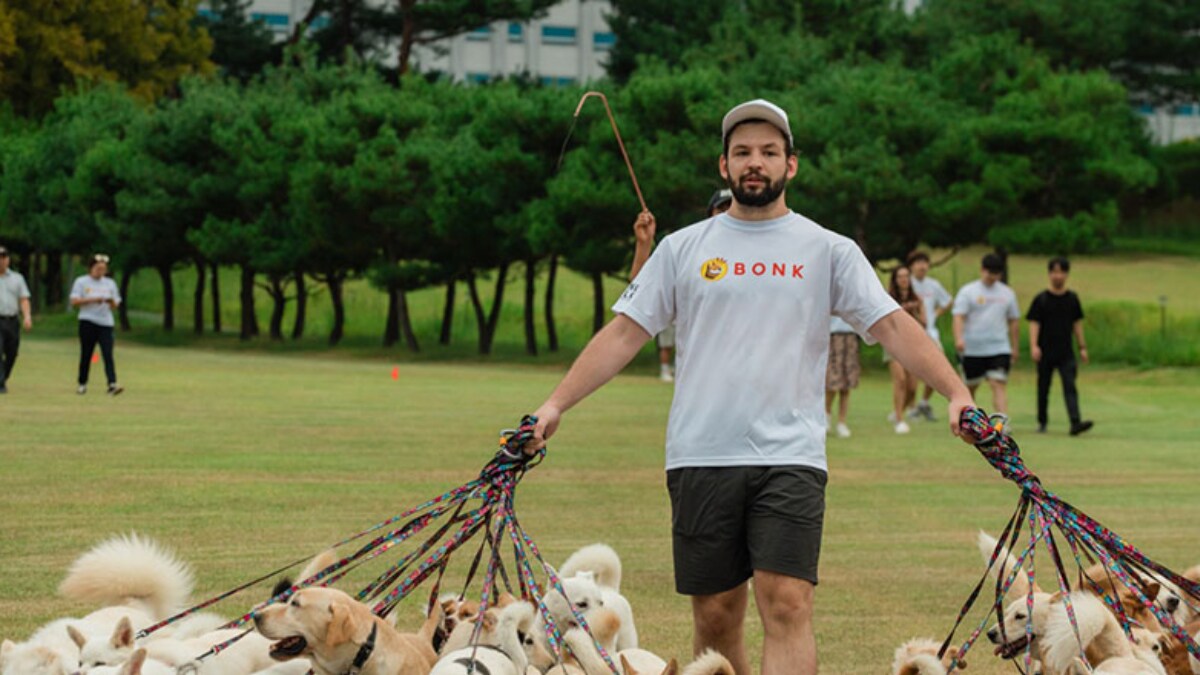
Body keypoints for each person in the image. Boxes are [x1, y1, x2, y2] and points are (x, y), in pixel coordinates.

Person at [528, 99, 975, 675]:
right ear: (725, 166)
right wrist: (555, 404)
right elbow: (623, 333)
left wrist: (956, 392)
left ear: (792, 164)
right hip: (701, 454)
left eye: (768, 151)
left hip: (791, 455)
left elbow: (890, 325)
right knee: (716, 615)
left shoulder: (827, 248)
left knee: (788, 603)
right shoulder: (683, 248)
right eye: (742, 153)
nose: (754, 162)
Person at [631, 189, 733, 383]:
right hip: (700, 378)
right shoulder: (689, 249)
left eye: (732, 207)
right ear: (710, 214)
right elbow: (639, 288)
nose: (727, 213)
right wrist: (644, 245)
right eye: (721, 209)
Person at [1027, 257, 1093, 436]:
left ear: (1066, 274)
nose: (1058, 276)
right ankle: (1042, 421)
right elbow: (1034, 323)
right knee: (1043, 387)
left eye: (1061, 272)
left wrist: (1082, 347)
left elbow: (1077, 324)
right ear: (1049, 274)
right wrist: (1034, 345)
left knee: (1070, 386)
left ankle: (1075, 422)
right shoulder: (1041, 299)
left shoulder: (1072, 299)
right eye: (1054, 272)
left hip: (1066, 351)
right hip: (1045, 351)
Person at [952, 253, 1019, 420]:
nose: (993, 277)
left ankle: (1002, 423)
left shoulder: (1007, 293)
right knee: (970, 387)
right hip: (973, 348)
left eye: (996, 274)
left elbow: (1013, 320)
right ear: (982, 270)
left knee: (998, 384)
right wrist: (959, 338)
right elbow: (959, 316)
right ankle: (970, 421)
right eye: (990, 273)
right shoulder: (968, 291)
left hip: (999, 347)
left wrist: (1014, 346)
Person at [907, 251, 952, 421]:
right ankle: (907, 408)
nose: (922, 266)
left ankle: (923, 403)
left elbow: (948, 301)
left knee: (937, 368)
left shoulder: (933, 285)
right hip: (909, 333)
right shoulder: (906, 283)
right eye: (918, 263)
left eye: (925, 262)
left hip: (930, 332)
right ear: (911, 266)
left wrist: (935, 314)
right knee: (910, 375)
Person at [70, 254, 124, 395]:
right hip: (88, 320)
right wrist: (93, 300)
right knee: (86, 353)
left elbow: (116, 304)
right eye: (98, 269)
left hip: (105, 322)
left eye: (103, 269)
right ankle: (82, 383)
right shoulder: (82, 282)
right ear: (91, 268)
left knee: (107, 353)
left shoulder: (110, 283)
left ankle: (112, 383)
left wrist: (111, 302)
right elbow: (74, 301)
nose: (101, 272)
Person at [886, 265, 925, 434]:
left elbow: (924, 322)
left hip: (912, 344)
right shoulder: (888, 299)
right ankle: (899, 419)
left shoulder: (916, 299)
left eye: (906, 276)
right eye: (900, 276)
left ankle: (898, 411)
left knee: (912, 387)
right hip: (893, 342)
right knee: (900, 380)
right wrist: (901, 311)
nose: (904, 279)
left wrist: (915, 309)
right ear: (895, 280)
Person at [0, 246, 34, 394]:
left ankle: (3, 377)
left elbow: (24, 299)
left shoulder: (17, 278)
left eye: (4, 257)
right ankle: (0, 383)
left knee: (12, 352)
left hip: (12, 320)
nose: (1, 260)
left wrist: (27, 316)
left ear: (8, 259)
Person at [824, 316, 859, 438]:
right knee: (832, 383)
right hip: (833, 335)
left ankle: (842, 422)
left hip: (850, 336)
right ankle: (826, 415)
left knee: (846, 385)